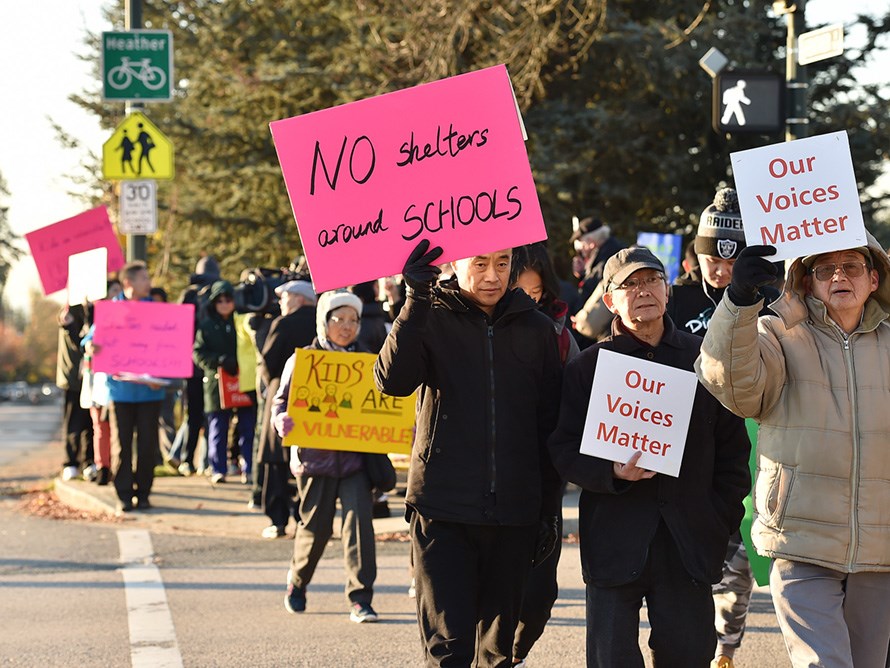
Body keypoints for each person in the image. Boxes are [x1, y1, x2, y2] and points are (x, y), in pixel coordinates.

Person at [548, 247, 751, 667]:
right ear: (610, 301)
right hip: (613, 541)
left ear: (667, 289)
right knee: (612, 659)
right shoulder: (587, 369)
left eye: (652, 280)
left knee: (688, 655)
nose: (643, 291)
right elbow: (563, 450)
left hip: (689, 541)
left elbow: (734, 452)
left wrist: (719, 519)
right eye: (630, 284)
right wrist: (612, 473)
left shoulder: (705, 361)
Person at [696, 232, 890, 668]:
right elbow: (729, 381)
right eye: (825, 269)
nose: (839, 276)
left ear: (874, 279)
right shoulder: (777, 333)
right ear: (807, 281)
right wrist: (739, 302)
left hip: (881, 549)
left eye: (852, 266)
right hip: (800, 542)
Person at [374, 240, 564, 666]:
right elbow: (392, 380)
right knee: (448, 651)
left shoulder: (536, 329)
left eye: (502, 263)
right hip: (442, 510)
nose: (492, 275)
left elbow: (548, 426)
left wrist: (548, 511)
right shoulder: (428, 315)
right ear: (456, 265)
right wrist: (415, 298)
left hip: (515, 515)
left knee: (497, 654)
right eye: (480, 264)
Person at [273, 290, 379, 623]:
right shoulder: (303, 360)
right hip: (313, 459)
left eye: (353, 320)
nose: (347, 327)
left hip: (355, 459)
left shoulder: (367, 361)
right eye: (339, 319)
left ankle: (360, 598)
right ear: (324, 321)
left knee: (359, 526)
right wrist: (281, 420)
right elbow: (280, 401)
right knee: (315, 528)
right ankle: (298, 580)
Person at [509, 242, 578, 666]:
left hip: (543, 481)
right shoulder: (474, 329)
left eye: (533, 295)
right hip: (486, 482)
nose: (526, 304)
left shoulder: (559, 336)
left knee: (538, 595)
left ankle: (512, 655)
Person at [84, 261, 165, 512]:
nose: (148, 283)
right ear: (129, 282)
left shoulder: (158, 310)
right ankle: (123, 494)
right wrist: (91, 347)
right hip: (120, 392)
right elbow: (89, 341)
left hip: (151, 390)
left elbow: (168, 344)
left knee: (147, 445)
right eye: (143, 279)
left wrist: (164, 375)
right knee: (122, 445)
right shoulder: (110, 311)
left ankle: (143, 494)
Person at [256, 279, 317, 537]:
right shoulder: (322, 323)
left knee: (275, 460)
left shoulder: (283, 324)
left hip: (283, 393)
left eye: (285, 297)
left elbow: (268, 363)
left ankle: (278, 520)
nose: (281, 302)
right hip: (316, 397)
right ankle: (305, 517)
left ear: (299, 299)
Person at [193, 280, 256, 485]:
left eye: (228, 299)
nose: (224, 304)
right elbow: (198, 353)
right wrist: (219, 360)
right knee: (218, 427)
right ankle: (218, 468)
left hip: (244, 381)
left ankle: (249, 467)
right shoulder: (207, 326)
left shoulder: (244, 322)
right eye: (219, 300)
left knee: (248, 427)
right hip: (217, 384)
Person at [174, 256, 220, 476]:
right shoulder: (199, 295)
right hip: (202, 362)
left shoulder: (191, 295)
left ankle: (191, 460)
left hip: (197, 363)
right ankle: (199, 460)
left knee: (196, 414)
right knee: (205, 414)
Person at [80, 279, 123, 486]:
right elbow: (87, 340)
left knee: (118, 430)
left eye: (120, 292)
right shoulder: (103, 319)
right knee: (100, 427)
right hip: (102, 384)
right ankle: (103, 467)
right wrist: (90, 346)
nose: (116, 297)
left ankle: (117, 467)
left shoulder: (135, 317)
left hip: (123, 385)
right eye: (113, 292)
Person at [56, 302, 93, 481]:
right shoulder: (70, 309)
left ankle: (89, 461)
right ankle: (71, 463)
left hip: (91, 377)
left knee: (90, 423)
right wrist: (68, 324)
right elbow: (79, 344)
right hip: (74, 379)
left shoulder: (93, 308)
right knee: (73, 423)